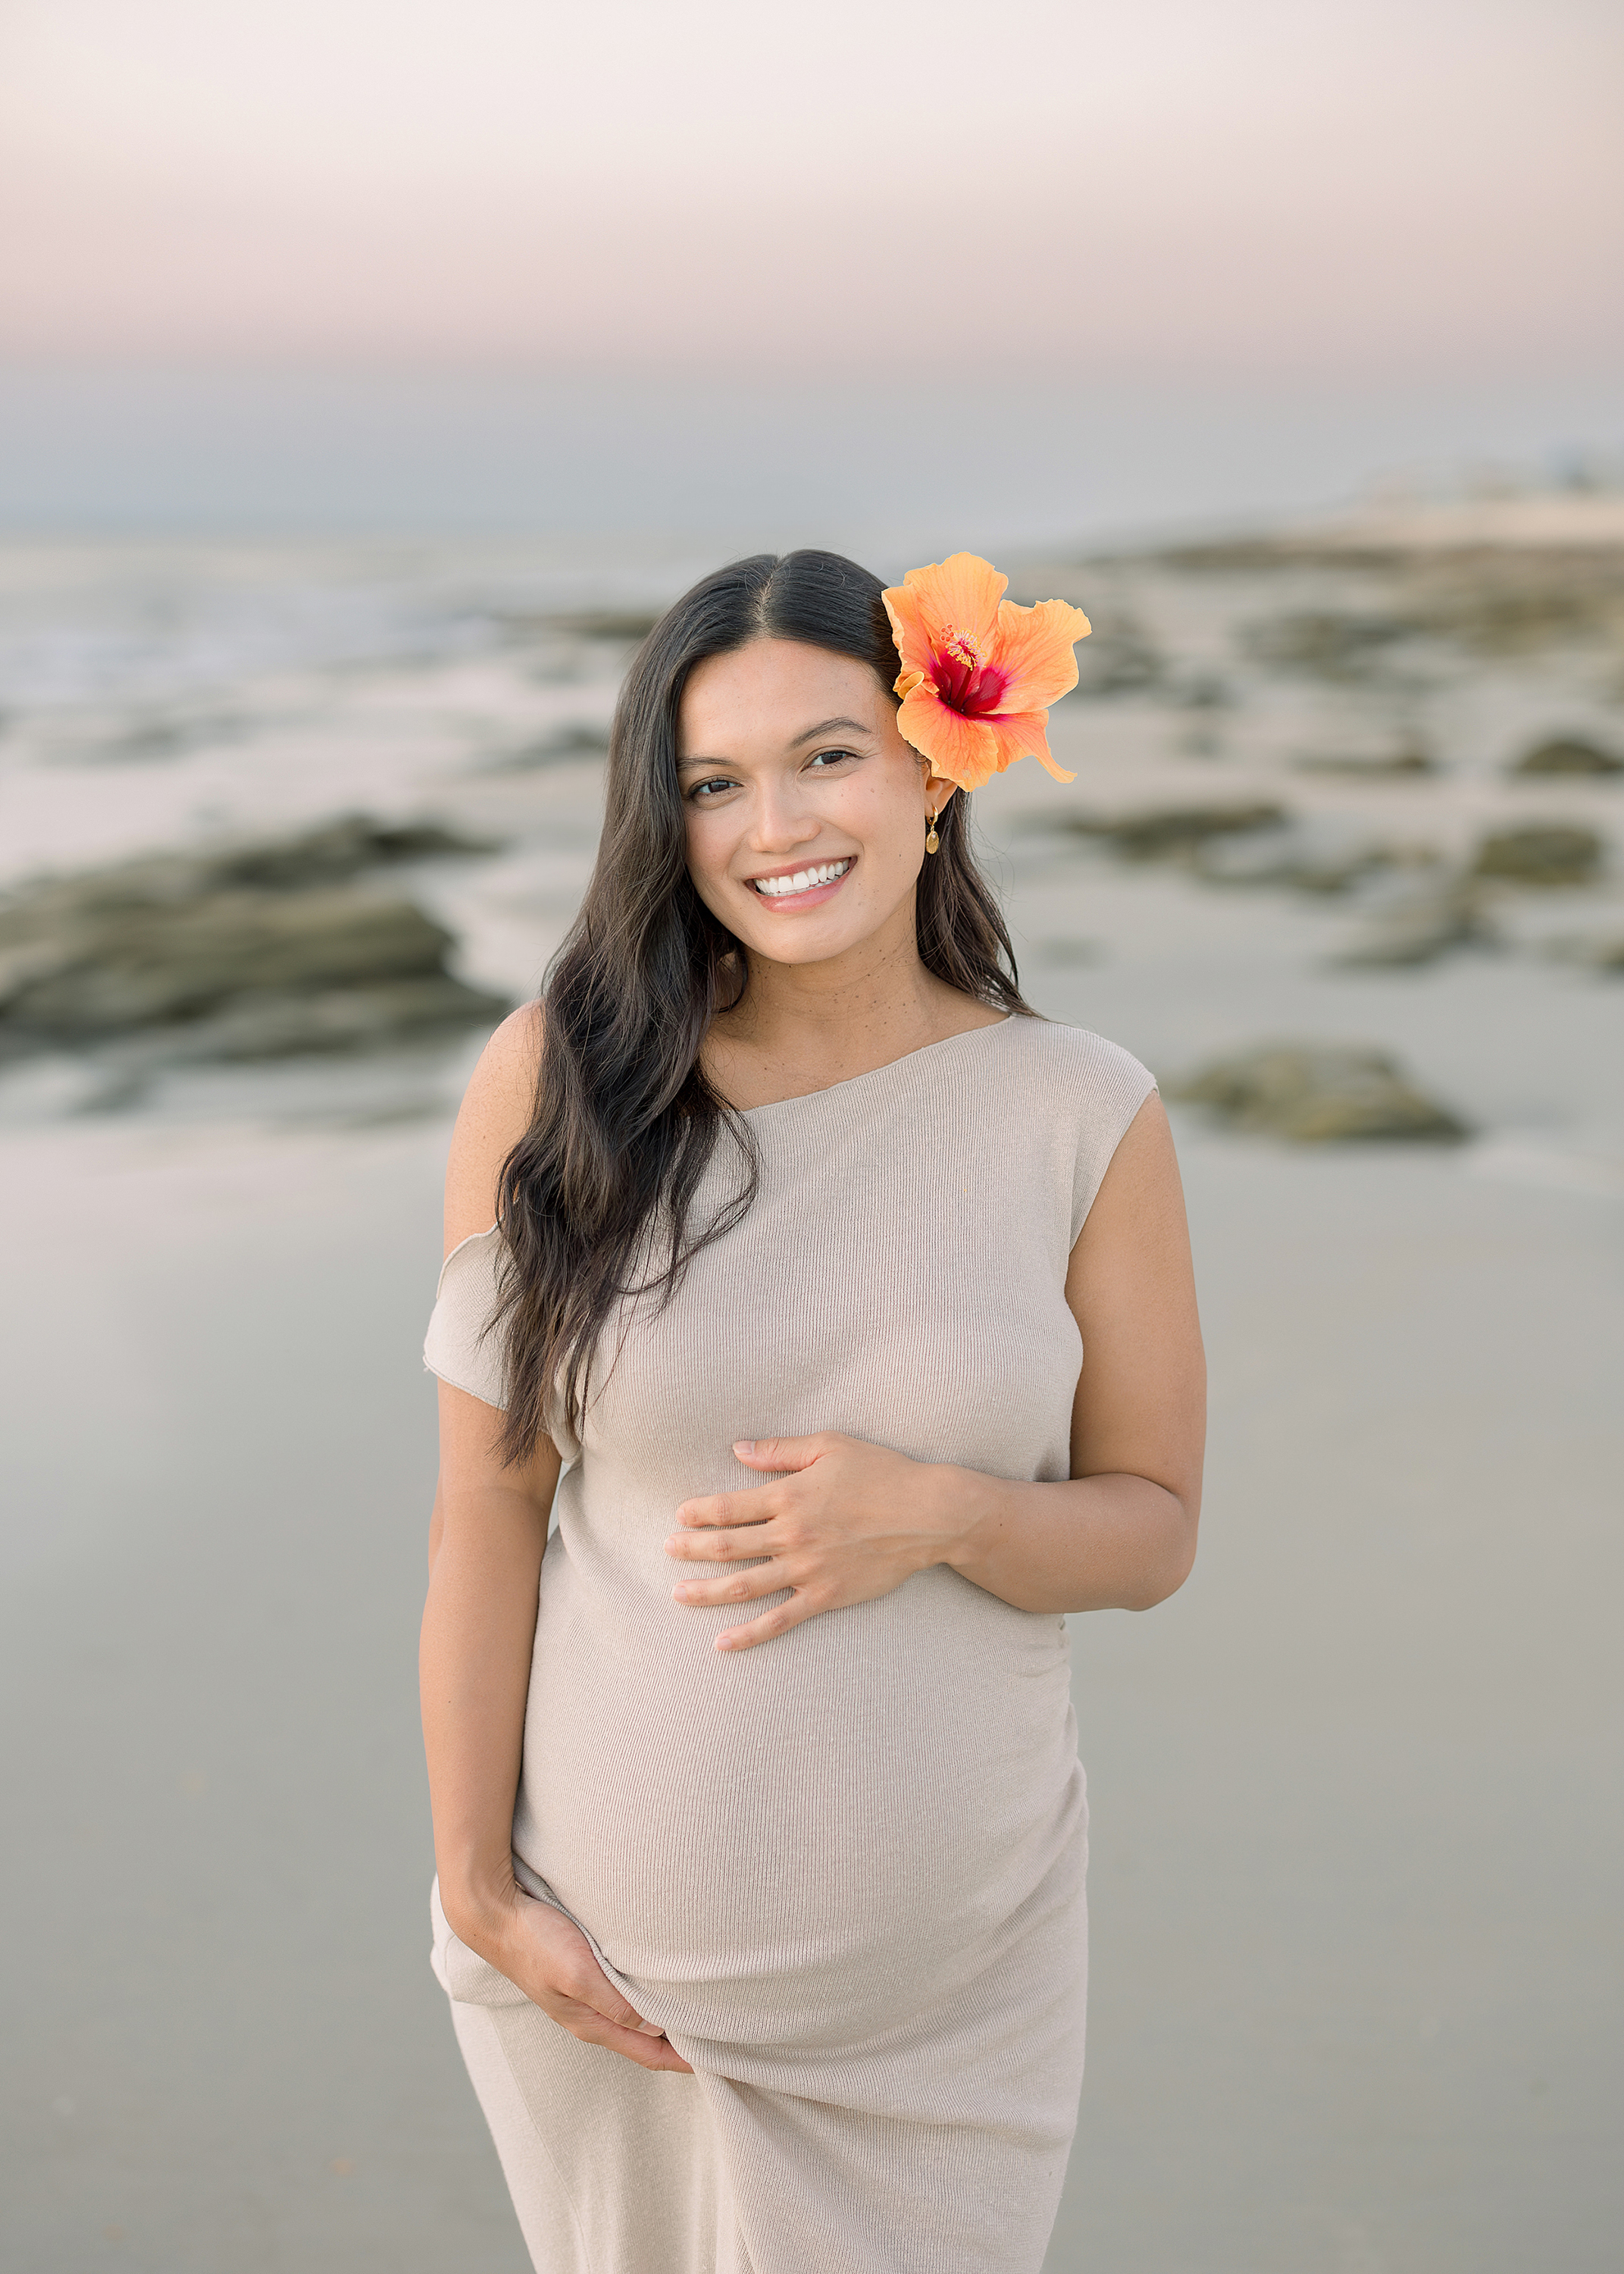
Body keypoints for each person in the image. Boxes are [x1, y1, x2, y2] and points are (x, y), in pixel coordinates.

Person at [419, 549, 1205, 2274]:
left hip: (954, 1999)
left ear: (936, 766)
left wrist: (946, 1512)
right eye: (712, 783)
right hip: (612, 1994)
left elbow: (1150, 1533)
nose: (775, 822)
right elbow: (486, 1506)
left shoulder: (1078, 1111)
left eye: (828, 754)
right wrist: (479, 1893)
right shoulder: (562, 1077)